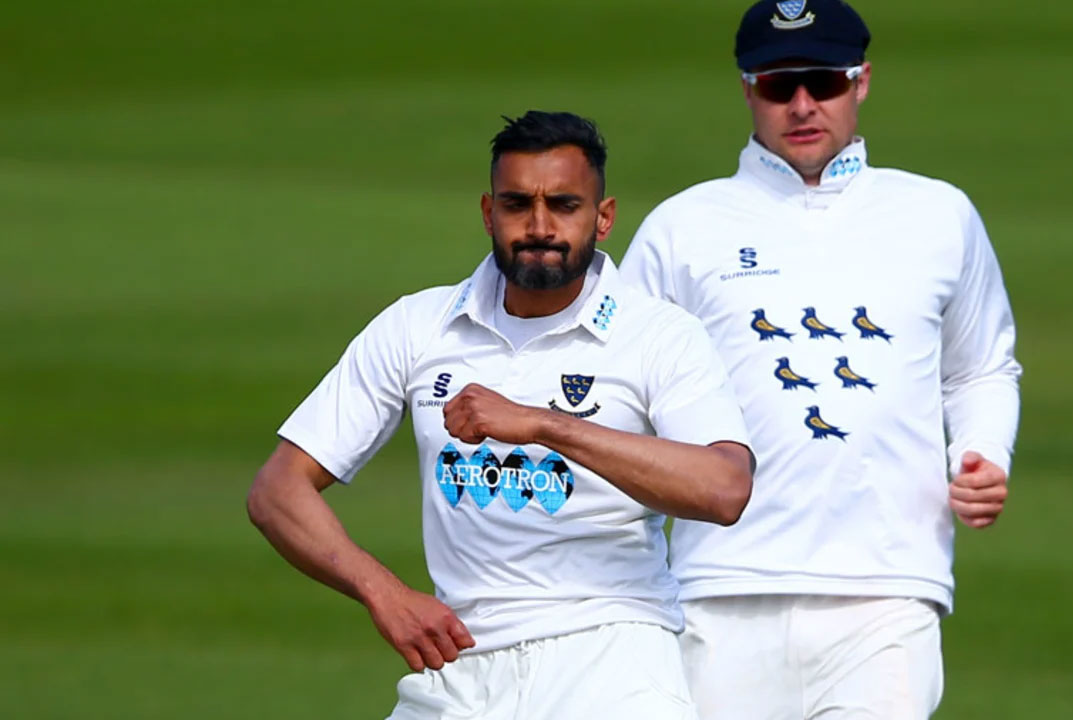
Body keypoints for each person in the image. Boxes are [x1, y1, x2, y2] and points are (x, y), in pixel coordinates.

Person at [247, 110, 754, 720]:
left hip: (613, 661)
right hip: (458, 665)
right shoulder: (417, 326)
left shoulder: (659, 335)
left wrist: (545, 425)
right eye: (518, 205)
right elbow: (277, 489)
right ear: (489, 213)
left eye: (564, 205)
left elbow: (724, 488)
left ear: (604, 217)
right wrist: (384, 593)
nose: (539, 227)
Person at [619, 2, 1022, 718]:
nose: (803, 105)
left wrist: (984, 452)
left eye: (824, 82)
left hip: (888, 592)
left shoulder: (938, 214)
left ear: (861, 81)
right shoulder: (682, 228)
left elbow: (980, 367)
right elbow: (623, 400)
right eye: (780, 85)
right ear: (748, 88)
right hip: (719, 590)